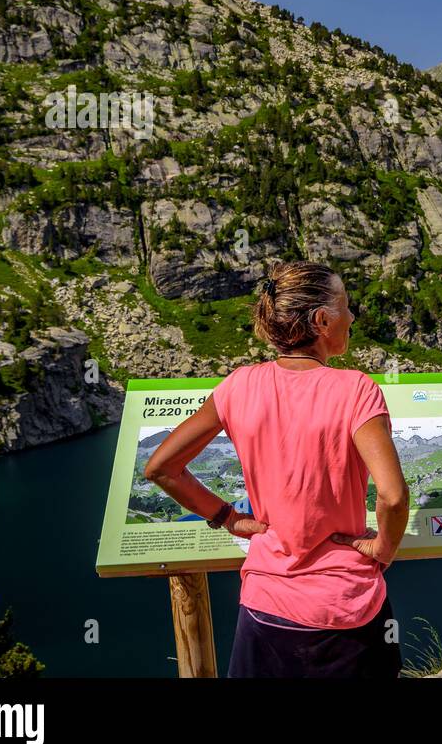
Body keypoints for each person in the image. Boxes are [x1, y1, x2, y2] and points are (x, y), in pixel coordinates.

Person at [144, 261, 410, 677]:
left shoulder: (238, 385)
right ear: (322, 320)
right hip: (345, 609)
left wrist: (227, 517)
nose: (353, 317)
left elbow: (161, 468)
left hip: (265, 605)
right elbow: (393, 497)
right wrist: (384, 549)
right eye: (346, 306)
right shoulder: (356, 389)